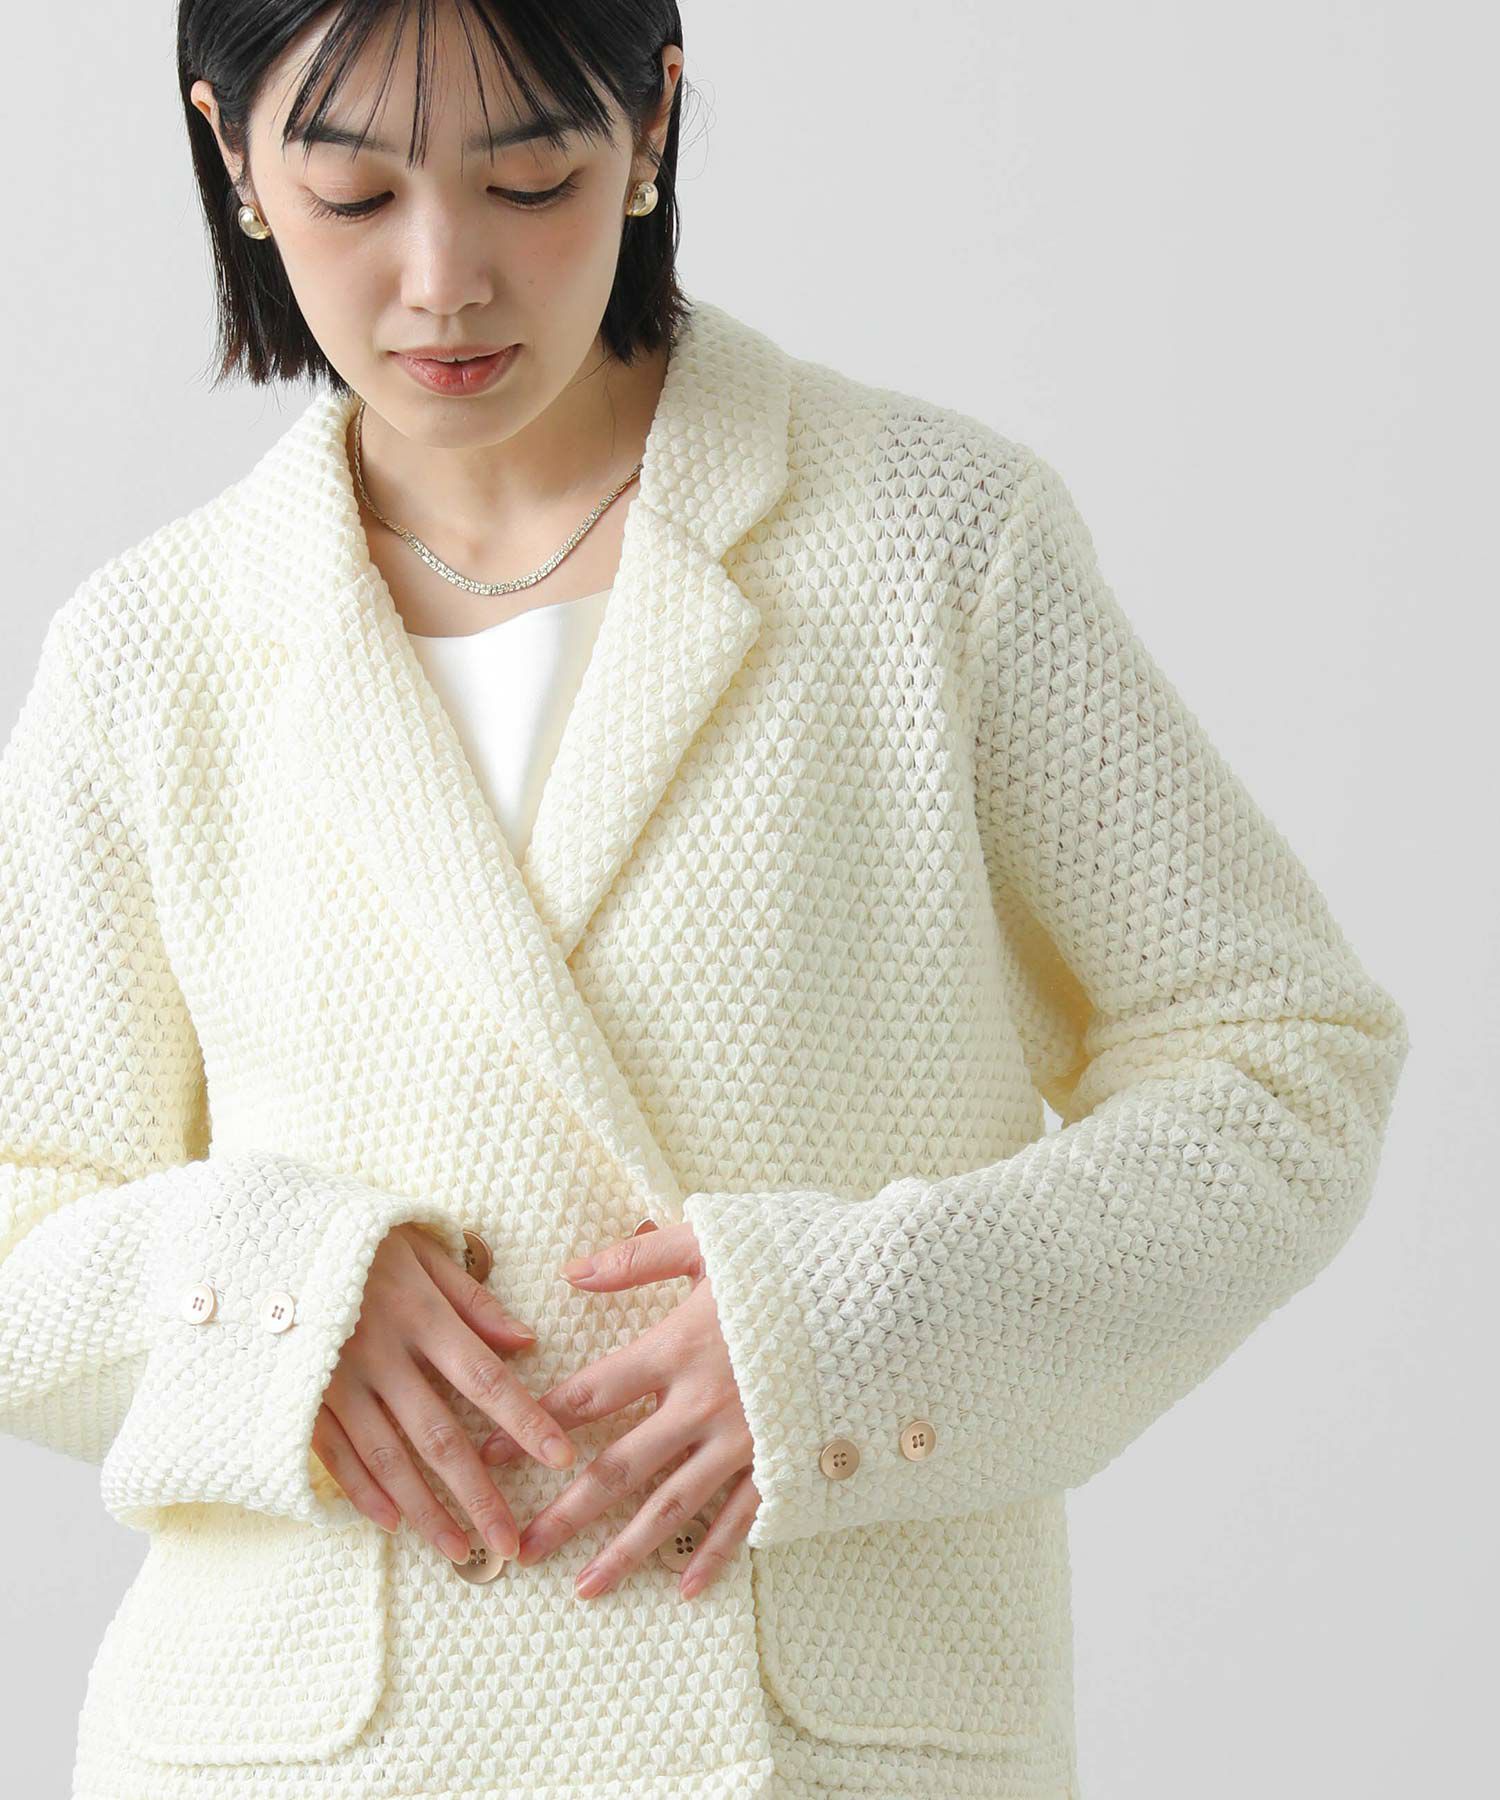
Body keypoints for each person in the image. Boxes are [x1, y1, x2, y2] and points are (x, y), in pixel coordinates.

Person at [0, 3, 1411, 1797]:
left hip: (820, 1745)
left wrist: (866, 1331)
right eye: (354, 195)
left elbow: (1287, 1065)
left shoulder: (929, 542)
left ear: (652, 124)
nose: (443, 281)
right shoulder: (150, 648)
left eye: (531, 180)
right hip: (293, 1754)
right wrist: (270, 1302)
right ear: (233, 158)